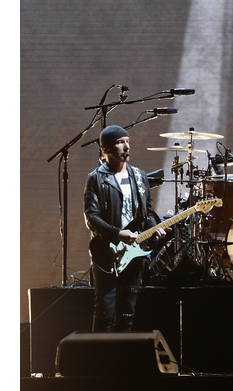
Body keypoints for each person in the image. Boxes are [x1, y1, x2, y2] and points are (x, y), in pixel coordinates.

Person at [84, 125, 166, 332]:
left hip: (134, 252)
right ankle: (100, 359)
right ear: (106, 150)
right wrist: (118, 233)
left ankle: (122, 358)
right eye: (120, 142)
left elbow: (145, 213)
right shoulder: (97, 178)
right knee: (105, 311)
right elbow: (91, 217)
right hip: (107, 251)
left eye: (127, 141)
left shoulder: (139, 177)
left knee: (127, 311)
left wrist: (154, 229)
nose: (126, 146)